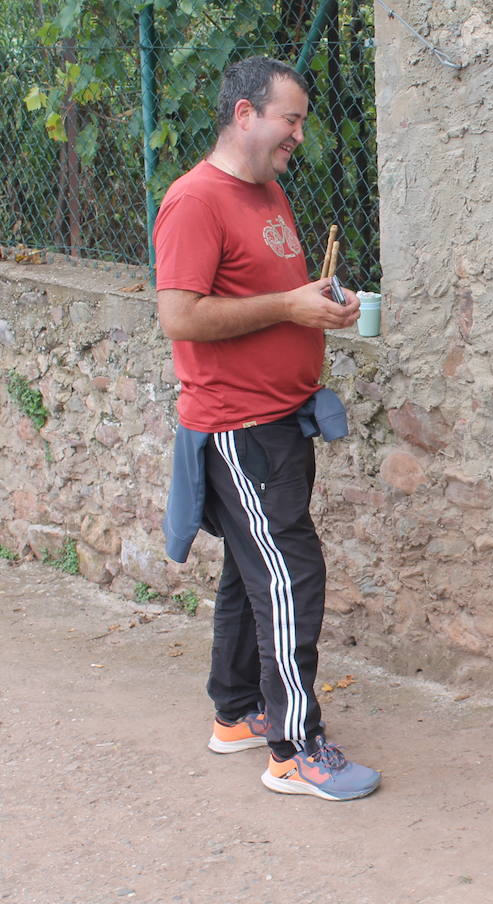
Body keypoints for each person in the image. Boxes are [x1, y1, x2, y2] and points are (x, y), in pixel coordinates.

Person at [153, 56, 379, 802]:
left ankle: (237, 710)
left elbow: (273, 292)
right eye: (291, 119)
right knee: (290, 572)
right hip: (239, 426)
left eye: (302, 121)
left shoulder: (267, 191)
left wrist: (319, 301)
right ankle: (294, 746)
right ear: (245, 114)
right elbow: (180, 316)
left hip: (278, 420)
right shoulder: (195, 200)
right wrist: (290, 309)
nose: (299, 135)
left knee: (253, 572)